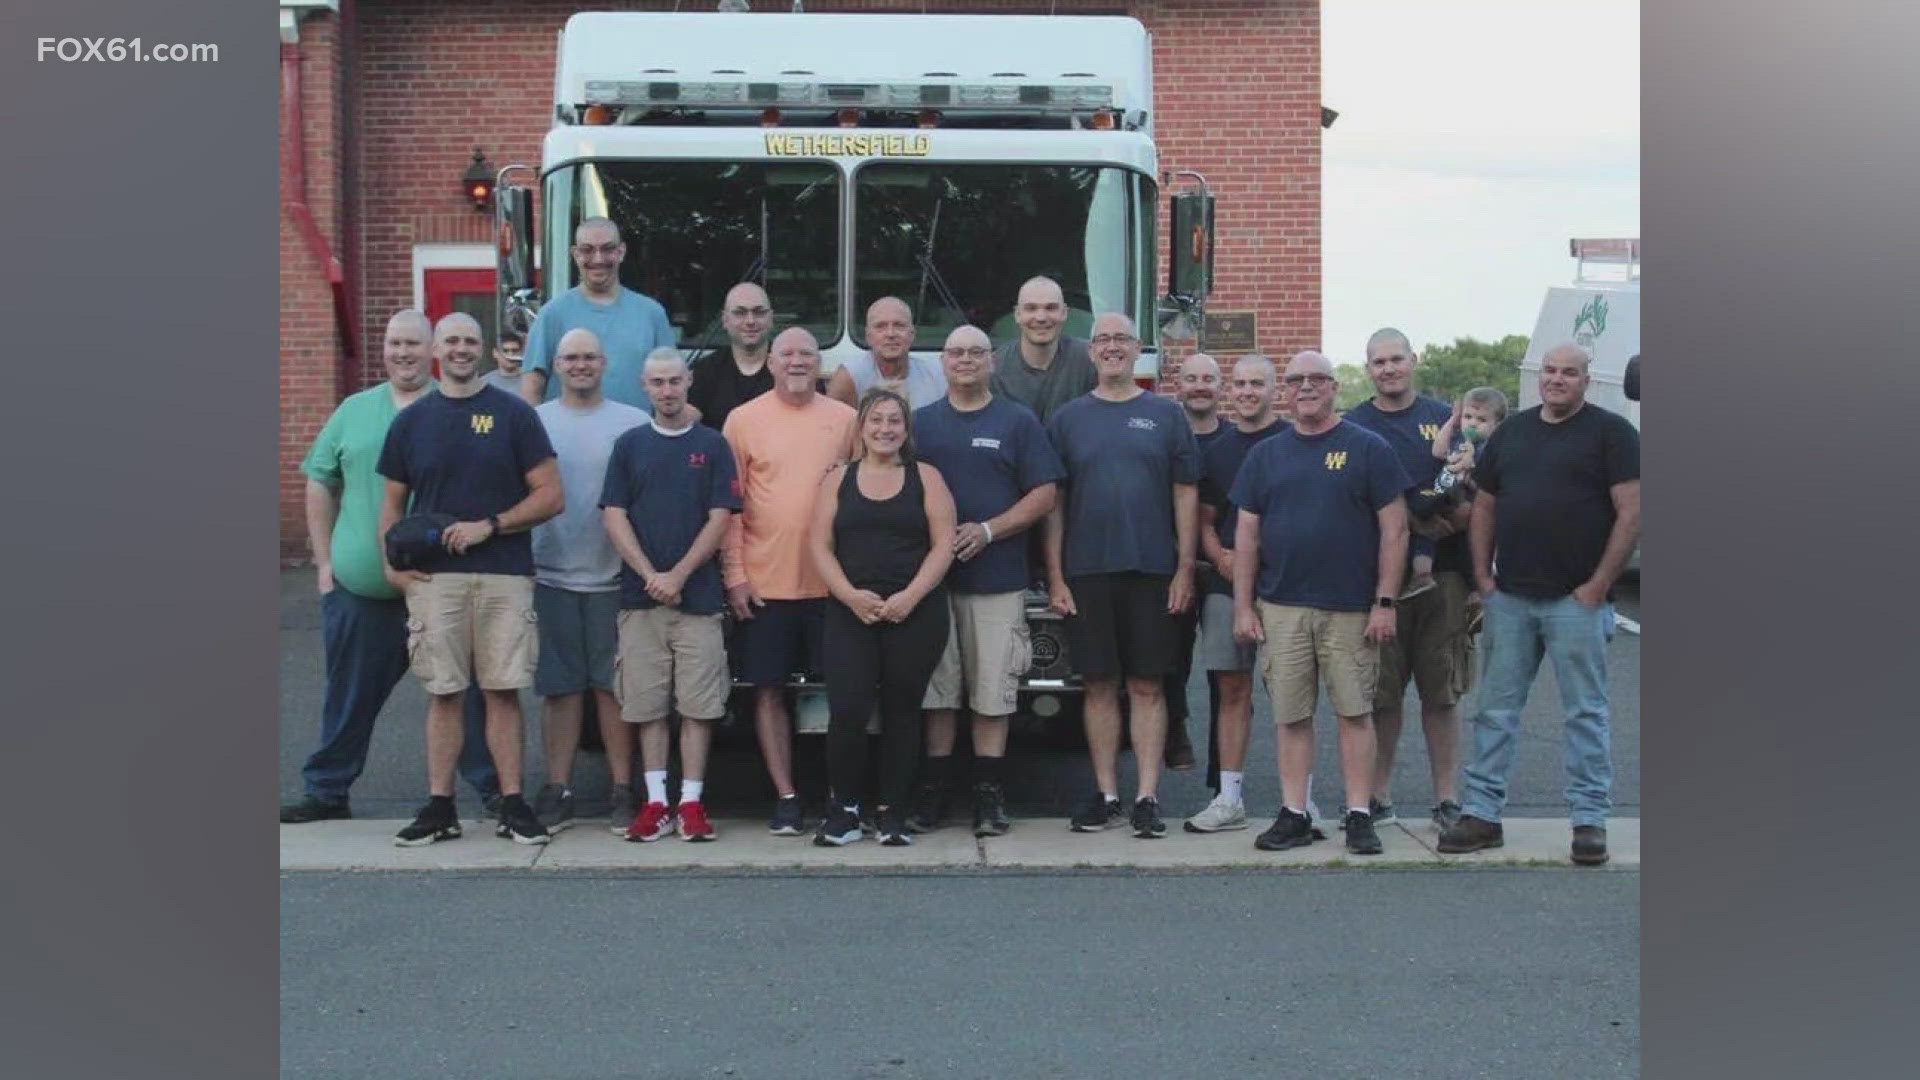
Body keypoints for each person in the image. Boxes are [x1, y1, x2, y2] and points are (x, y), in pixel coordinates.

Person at [280, 310, 501, 824]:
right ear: (384, 350)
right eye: (394, 343)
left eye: (414, 344)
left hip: (440, 586)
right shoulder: (354, 411)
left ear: (434, 353)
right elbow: (320, 479)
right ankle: (328, 790)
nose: (404, 353)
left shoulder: (456, 410)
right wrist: (324, 563)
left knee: (461, 694)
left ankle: (490, 787)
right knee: (349, 696)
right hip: (362, 592)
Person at [1439, 343, 1640, 867]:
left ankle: (1589, 821)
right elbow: (1485, 505)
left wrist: (1598, 584)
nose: (1556, 380)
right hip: (1511, 598)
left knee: (1585, 714)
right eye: (1549, 371)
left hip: (1579, 601)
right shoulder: (1513, 432)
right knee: (1495, 712)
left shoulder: (1612, 434)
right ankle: (1482, 814)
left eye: (1568, 373)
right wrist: (1483, 576)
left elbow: (1632, 512)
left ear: (1586, 380)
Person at [377, 312, 564, 846]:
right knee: (444, 693)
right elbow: (392, 505)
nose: (461, 349)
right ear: (437, 348)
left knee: (504, 692)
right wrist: (393, 566)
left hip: (505, 576)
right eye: (452, 340)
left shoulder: (513, 415)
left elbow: (552, 495)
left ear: (483, 350)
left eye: (470, 341)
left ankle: (513, 804)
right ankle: (441, 807)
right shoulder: (411, 421)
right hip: (437, 582)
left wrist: (493, 525)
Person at [1230, 350, 1411, 856]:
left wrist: (1385, 602)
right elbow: (1247, 535)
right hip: (1282, 607)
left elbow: (1394, 529)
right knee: (1291, 716)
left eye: (1316, 379)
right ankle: (1294, 814)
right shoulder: (1265, 455)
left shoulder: (1368, 448)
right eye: (1296, 380)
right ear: (1285, 390)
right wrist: (1244, 607)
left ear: (1334, 387)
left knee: (1355, 713)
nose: (1306, 387)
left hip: (1352, 608)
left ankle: (1358, 814)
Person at [1045, 312, 1199, 839]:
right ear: (1092, 353)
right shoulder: (1067, 419)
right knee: (1098, 685)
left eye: (1122, 340)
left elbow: (1185, 493)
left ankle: (1147, 797)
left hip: (1152, 569)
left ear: (1138, 350)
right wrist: (1056, 575)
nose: (1112, 348)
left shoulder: (1166, 415)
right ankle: (1107, 793)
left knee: (1148, 685)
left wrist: (1184, 568)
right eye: (1103, 340)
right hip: (1086, 570)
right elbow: (1054, 503)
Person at [910, 325, 1063, 836]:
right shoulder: (920, 424)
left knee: (993, 692)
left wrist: (989, 530)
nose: (967, 360)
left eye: (977, 352)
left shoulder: (1017, 422)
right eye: (956, 352)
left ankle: (988, 796)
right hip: (931, 584)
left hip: (998, 580)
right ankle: (933, 792)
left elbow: (1044, 494)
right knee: (939, 692)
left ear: (992, 363)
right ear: (944, 363)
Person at [721, 327, 859, 836]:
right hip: (764, 584)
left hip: (833, 587)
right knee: (768, 691)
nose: (797, 362)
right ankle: (786, 796)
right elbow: (729, 506)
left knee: (843, 694)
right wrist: (734, 575)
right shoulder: (742, 420)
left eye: (806, 354)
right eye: (787, 354)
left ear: (818, 365)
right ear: (771, 364)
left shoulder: (846, 420)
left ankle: (838, 793)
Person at [601, 349, 742, 842]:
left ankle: (692, 804)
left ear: (689, 383)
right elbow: (614, 515)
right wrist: (649, 575)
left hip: (698, 601)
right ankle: (656, 801)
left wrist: (679, 575)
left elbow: (721, 516)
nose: (666, 390)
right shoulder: (629, 446)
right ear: (644, 387)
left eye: (674, 381)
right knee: (648, 707)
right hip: (641, 604)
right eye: (657, 383)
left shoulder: (713, 445)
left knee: (700, 706)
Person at [808, 389, 957, 846]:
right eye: (876, 420)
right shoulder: (839, 480)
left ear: (906, 430)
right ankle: (846, 810)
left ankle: (893, 810)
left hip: (915, 612)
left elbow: (943, 544)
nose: (885, 429)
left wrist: (910, 597)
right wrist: (850, 596)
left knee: (902, 712)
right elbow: (819, 545)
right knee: (849, 710)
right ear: (861, 428)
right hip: (851, 611)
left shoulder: (926, 477)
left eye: (895, 421)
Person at [1342, 328, 1472, 831]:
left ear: (1413, 360)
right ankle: (1376, 796)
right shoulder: (1355, 425)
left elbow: (1472, 488)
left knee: (1441, 695)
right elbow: (1354, 505)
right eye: (1379, 362)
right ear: (1368, 368)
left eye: (1397, 359)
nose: (1389, 369)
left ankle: (1446, 800)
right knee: (1382, 698)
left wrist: (1459, 516)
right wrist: (1413, 521)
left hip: (1444, 579)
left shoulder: (1445, 419)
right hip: (1383, 586)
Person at [521, 329, 650, 834]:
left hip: (615, 577)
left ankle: (623, 788)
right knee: (560, 688)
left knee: (612, 687)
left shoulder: (633, 423)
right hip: (550, 574)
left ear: (605, 363)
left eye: (589, 357)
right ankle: (559, 787)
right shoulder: (533, 422)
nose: (580, 365)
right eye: (570, 357)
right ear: (555, 364)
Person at [1183, 353, 1285, 833]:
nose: (1247, 392)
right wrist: (1219, 555)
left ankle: (1298, 800)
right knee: (1231, 688)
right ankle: (1229, 797)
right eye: (1240, 384)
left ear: (1273, 389)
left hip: (1287, 586)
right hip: (1226, 587)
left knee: (1291, 693)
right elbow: (1204, 519)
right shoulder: (1217, 449)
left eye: (1256, 384)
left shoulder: (1291, 442)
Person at [521, 217, 675, 411]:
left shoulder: (652, 314)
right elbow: (533, 384)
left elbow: (671, 383)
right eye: (587, 250)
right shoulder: (552, 314)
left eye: (607, 249)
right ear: (575, 255)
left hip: (637, 438)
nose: (598, 259)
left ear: (621, 252)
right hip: (567, 439)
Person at [1162, 352, 1227, 772]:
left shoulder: (1236, 441)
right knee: (1170, 657)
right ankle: (1175, 726)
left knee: (1226, 667)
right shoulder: (1164, 436)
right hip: (1173, 564)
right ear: (1177, 386)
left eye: (1209, 378)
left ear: (1220, 387)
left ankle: (1225, 761)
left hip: (1225, 569)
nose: (1200, 385)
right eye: (1192, 378)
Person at [990, 276, 1097, 422]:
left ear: (1064, 313)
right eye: (1031, 308)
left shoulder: (1091, 360)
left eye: (1051, 308)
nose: (1041, 317)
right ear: (1017, 315)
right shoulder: (993, 368)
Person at [827, 296, 947, 410]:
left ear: (912, 334)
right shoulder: (849, 378)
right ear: (868, 336)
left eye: (899, 326)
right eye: (881, 327)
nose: (890, 334)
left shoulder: (937, 376)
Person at [687, 281, 775, 433]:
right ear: (725, 320)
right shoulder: (705, 371)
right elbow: (683, 427)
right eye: (740, 313)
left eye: (759, 312)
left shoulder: (791, 367)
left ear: (771, 318)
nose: (750, 321)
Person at [1430, 386, 1509, 497]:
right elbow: (1438, 452)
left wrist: (1468, 474)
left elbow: (1485, 488)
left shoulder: (1490, 449)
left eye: (1481, 419)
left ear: (1497, 425)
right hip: (1440, 494)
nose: (1472, 423)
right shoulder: (1458, 437)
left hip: (1467, 500)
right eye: (1467, 416)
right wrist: (1454, 419)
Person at [485, 329, 525, 395]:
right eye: (505, 351)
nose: (510, 355)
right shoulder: (485, 383)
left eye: (515, 351)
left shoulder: (530, 380)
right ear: (495, 353)